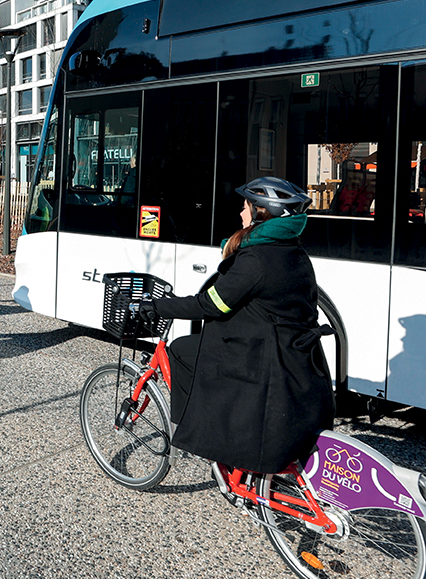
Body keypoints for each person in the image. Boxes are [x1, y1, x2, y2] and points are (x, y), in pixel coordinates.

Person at [135, 176, 335, 478]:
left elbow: (212, 305)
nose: (241, 213)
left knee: (181, 350)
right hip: (292, 355)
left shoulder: (255, 259)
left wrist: (160, 306)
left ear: (260, 213)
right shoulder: (293, 251)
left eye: (245, 207)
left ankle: (203, 428)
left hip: (265, 359)